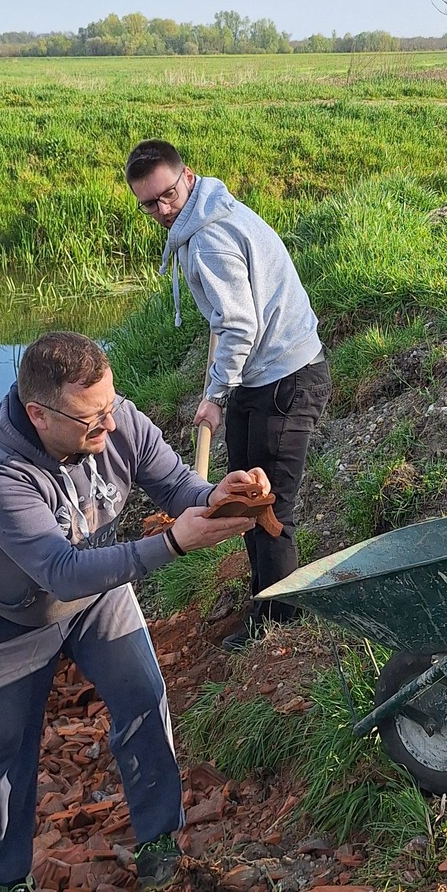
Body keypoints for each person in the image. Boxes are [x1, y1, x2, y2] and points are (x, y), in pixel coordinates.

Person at [0, 330, 264, 892]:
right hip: (2, 616)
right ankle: (7, 881)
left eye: (112, 406)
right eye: (93, 418)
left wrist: (217, 497)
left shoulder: (116, 420)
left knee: (143, 695)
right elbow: (59, 572)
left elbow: (178, 489)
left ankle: (157, 840)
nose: (111, 425)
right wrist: (171, 544)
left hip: (98, 589)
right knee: (1, 750)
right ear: (39, 413)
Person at [125, 138, 332, 647]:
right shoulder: (206, 211)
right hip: (257, 376)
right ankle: (263, 602)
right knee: (243, 498)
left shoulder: (211, 238)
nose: (161, 210)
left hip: (285, 378)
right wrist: (220, 388)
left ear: (187, 178)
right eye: (148, 204)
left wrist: (215, 395)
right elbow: (226, 319)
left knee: (270, 506)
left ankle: (279, 629)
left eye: (167, 195)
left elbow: (238, 324)